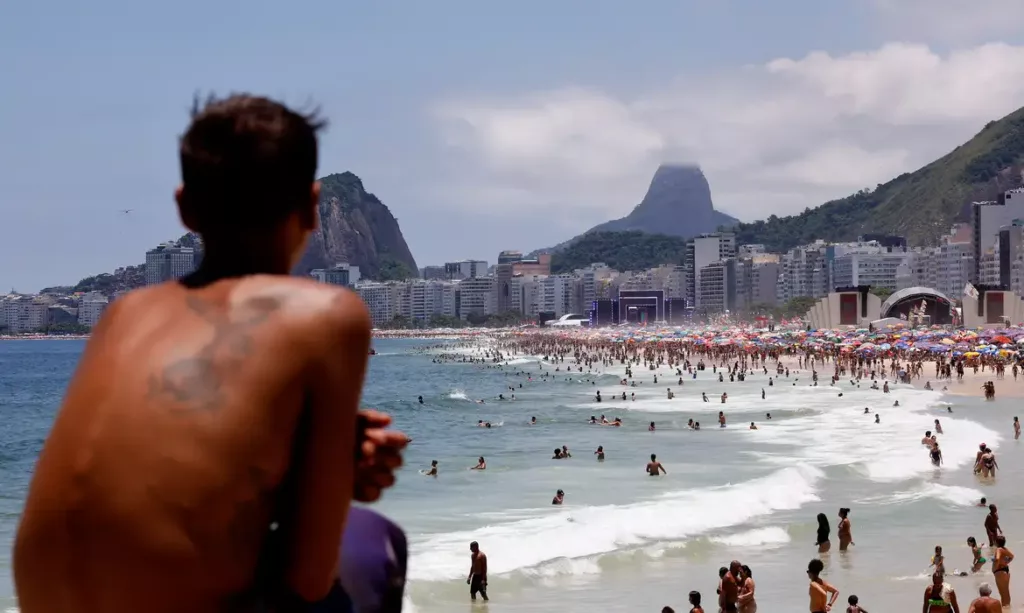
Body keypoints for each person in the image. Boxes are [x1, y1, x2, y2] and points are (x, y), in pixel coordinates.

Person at [13, 94, 409, 613]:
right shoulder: (328, 313)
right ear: (313, 206)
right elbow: (308, 579)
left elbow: (164, 465)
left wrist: (313, 459)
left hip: (37, 602)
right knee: (374, 545)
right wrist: (332, 470)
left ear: (184, 206)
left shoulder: (123, 313)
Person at [992, 535, 1013, 608]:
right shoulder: (1004, 549)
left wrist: (996, 566)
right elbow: (1012, 556)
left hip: (999, 572)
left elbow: (997, 558)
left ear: (996, 542)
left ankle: (1004, 607)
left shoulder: (998, 549)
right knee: (1006, 592)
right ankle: (1008, 607)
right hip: (1005, 571)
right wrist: (1006, 562)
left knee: (1002, 593)